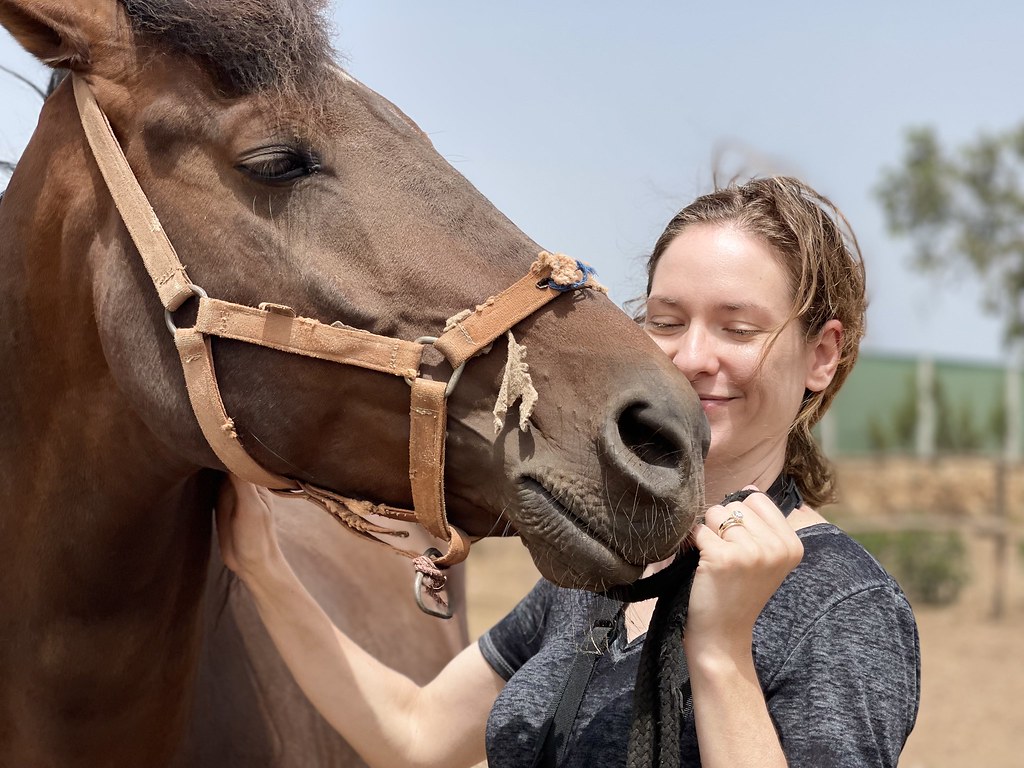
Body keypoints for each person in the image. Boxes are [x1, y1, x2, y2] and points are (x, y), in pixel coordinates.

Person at [216, 176, 921, 768]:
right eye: (667, 321)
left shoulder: (843, 604)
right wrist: (262, 566)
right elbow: (418, 735)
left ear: (822, 354)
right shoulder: (611, 561)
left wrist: (722, 652)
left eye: (738, 329)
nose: (692, 357)